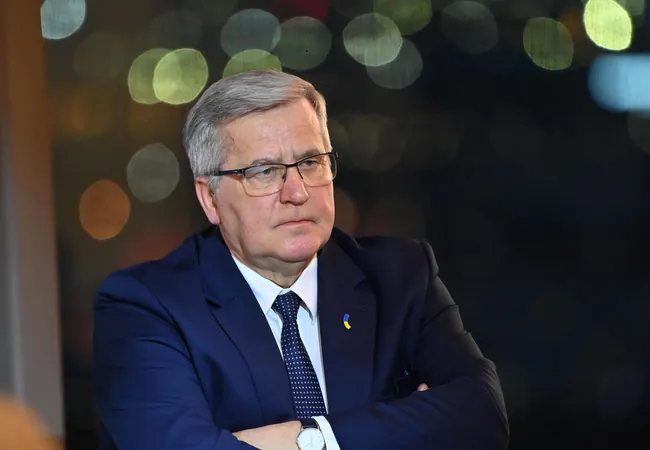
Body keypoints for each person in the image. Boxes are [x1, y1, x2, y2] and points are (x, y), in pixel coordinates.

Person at [93, 70, 508, 450]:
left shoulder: (401, 276)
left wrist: (315, 438)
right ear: (210, 198)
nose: (297, 192)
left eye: (310, 163)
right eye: (264, 172)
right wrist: (404, 425)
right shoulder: (146, 306)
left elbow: (483, 417)